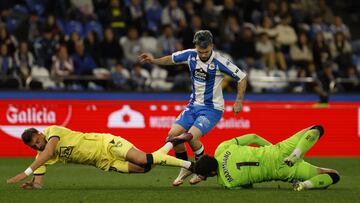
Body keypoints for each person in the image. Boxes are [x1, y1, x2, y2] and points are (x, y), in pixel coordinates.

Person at [139, 30, 247, 186]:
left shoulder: (220, 61)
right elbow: (171, 59)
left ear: (212, 46)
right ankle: (186, 167)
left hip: (212, 108)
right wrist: (153, 61)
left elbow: (242, 77)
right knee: (173, 136)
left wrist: (238, 101)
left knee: (192, 137)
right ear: (195, 47)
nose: (202, 55)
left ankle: (201, 172)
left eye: (206, 51)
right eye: (200, 51)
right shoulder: (190, 54)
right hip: (193, 105)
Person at [6, 125, 194, 189]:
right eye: (34, 146)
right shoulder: (42, 154)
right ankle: (172, 142)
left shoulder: (52, 132)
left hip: (106, 144)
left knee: (144, 159)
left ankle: (190, 165)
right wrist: (34, 183)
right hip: (102, 162)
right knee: (145, 168)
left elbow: (47, 153)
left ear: (40, 134)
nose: (39, 145)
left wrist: (25, 172)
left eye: (38, 141)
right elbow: (39, 180)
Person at [192, 125, 340, 191]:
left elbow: (248, 186)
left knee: (333, 176)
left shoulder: (226, 184)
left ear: (212, 173)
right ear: (209, 156)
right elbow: (254, 137)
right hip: (279, 152)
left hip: (282, 172)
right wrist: (274, 149)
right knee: (317, 129)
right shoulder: (222, 148)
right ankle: (296, 153)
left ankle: (304, 185)